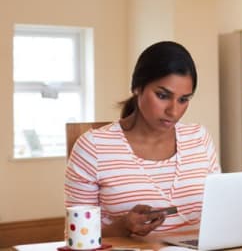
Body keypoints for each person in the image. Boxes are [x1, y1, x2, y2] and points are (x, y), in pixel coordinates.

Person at [65, 41, 220, 237]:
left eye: (183, 100)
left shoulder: (199, 138)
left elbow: (218, 214)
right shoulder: (92, 147)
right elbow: (77, 237)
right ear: (137, 87)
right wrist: (122, 228)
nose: (173, 111)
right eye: (162, 95)